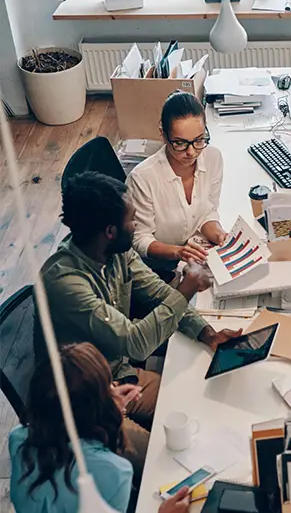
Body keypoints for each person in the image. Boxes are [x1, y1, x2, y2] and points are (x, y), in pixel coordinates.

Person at [38, 171, 239, 469]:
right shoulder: (66, 283)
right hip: (85, 407)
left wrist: (206, 333)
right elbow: (135, 343)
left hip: (120, 375)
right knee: (168, 461)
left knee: (197, 409)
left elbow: (159, 294)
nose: (135, 227)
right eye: (132, 220)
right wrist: (185, 288)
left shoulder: (115, 251)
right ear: (109, 230)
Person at [0, 343, 191, 513]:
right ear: (97, 406)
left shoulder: (19, 438)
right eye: (108, 385)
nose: (115, 387)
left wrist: (104, 407)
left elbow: (69, 461)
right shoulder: (112, 471)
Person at [128, 91, 227, 282]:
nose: (191, 152)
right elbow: (140, 239)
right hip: (157, 269)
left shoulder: (213, 158)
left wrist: (218, 234)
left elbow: (207, 212)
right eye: (180, 143)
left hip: (195, 252)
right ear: (163, 135)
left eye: (199, 140)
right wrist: (178, 252)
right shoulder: (143, 178)